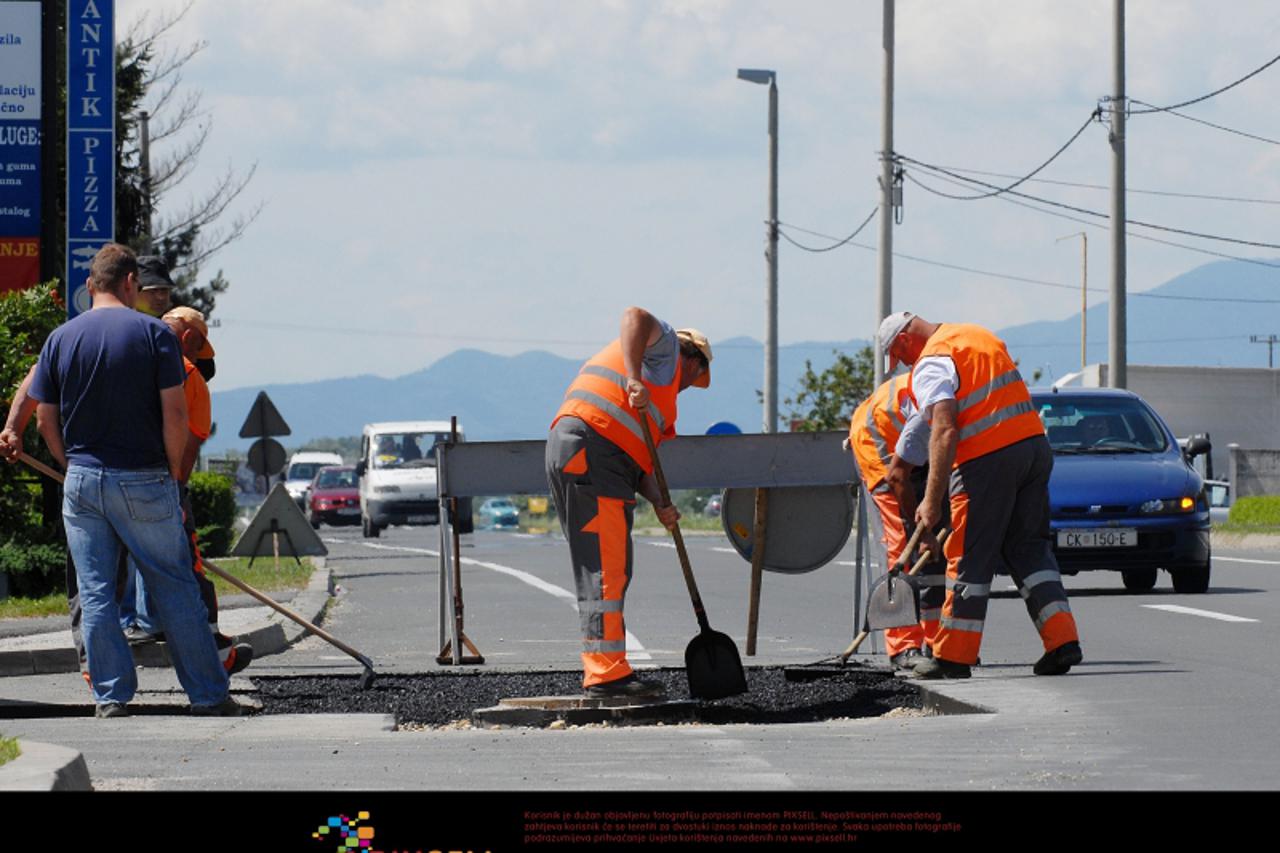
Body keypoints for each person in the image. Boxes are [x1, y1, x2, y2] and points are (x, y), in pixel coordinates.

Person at [28, 243, 237, 717]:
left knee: (97, 590)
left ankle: (111, 697)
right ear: (130, 284)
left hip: (81, 481)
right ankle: (207, 694)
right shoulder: (153, 335)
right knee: (174, 584)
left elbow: (44, 418)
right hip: (143, 477)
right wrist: (169, 474)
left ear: (89, 285)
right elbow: (175, 414)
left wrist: (69, 466)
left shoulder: (61, 339)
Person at [879, 311, 1083, 679]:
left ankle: (954, 656)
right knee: (1029, 549)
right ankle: (1063, 642)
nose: (904, 365)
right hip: (1033, 449)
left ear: (906, 338)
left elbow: (943, 429)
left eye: (899, 356)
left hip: (986, 461)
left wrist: (930, 499)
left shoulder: (931, 361)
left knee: (968, 556)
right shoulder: (976, 335)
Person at [545, 306, 712, 698]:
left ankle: (608, 669)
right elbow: (634, 315)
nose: (690, 387)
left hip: (593, 452)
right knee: (605, 568)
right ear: (693, 359)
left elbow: (638, 465)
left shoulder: (658, 401)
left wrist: (659, 502)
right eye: (698, 377)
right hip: (592, 447)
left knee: (610, 566)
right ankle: (605, 674)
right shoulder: (666, 350)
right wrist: (635, 379)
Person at [124, 306, 253, 675]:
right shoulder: (191, 376)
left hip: (114, 479)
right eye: (198, 349)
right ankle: (214, 655)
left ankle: (140, 625)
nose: (198, 358)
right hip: (161, 486)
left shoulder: (131, 365)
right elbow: (190, 446)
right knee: (188, 571)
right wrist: (175, 494)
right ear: (189, 339)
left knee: (125, 559)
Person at [846, 375, 945, 671]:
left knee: (937, 551)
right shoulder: (928, 408)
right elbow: (897, 477)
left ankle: (936, 642)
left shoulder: (959, 404)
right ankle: (904, 647)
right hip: (879, 452)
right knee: (902, 546)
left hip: (911, 453)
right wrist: (922, 530)